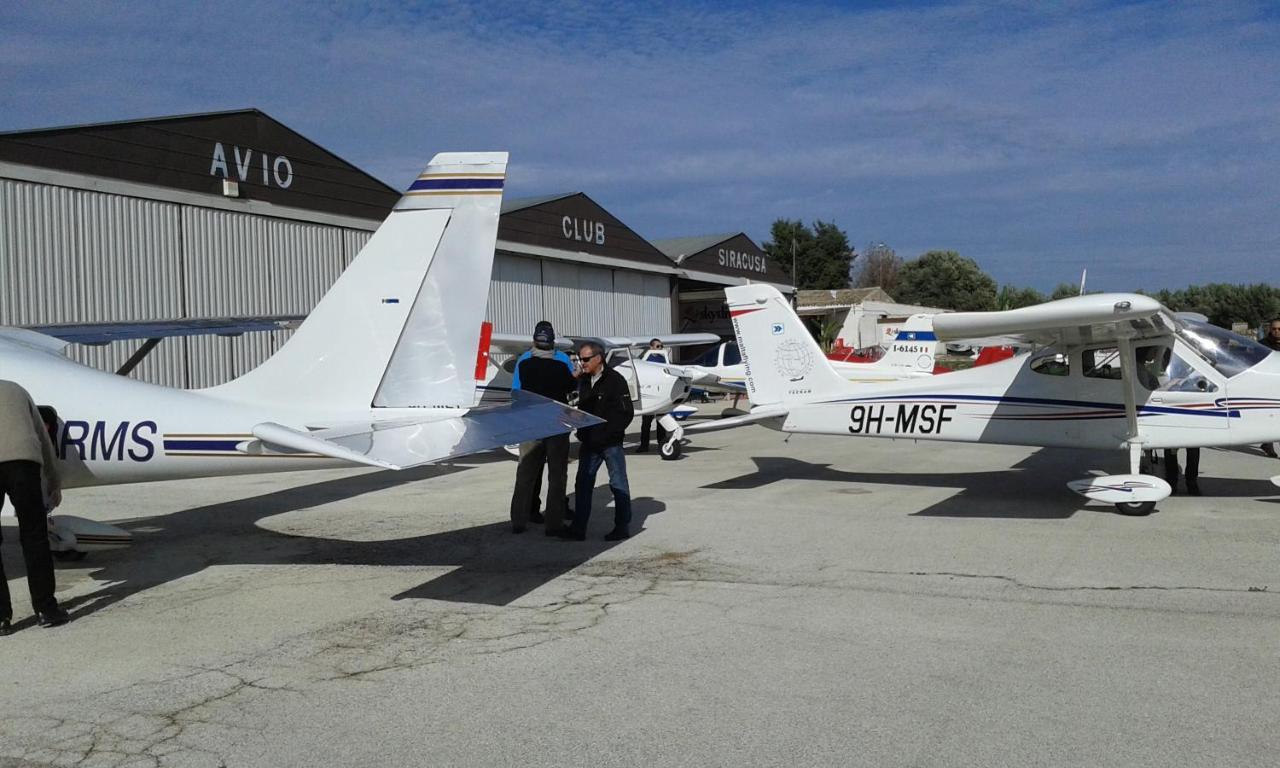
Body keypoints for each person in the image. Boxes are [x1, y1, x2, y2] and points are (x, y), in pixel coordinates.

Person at [0, 380, 69, 633]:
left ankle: (1, 618)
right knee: (34, 537)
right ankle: (46, 609)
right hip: (24, 464)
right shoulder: (16, 390)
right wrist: (54, 480)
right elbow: (42, 436)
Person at [559, 340, 635, 541]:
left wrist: (608, 434)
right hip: (589, 442)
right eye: (579, 359)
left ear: (598, 358)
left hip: (610, 443)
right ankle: (578, 528)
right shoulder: (583, 380)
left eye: (585, 359)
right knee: (583, 484)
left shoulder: (616, 381)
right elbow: (574, 402)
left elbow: (626, 413)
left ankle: (622, 527)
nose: (581, 363)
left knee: (618, 484)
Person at [509, 321, 577, 534]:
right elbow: (572, 387)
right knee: (557, 475)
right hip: (556, 423)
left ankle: (519, 520)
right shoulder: (562, 362)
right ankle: (554, 523)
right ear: (553, 342)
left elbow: (516, 393)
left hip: (530, 424)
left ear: (533, 341)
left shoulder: (524, 362)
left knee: (525, 472)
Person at [637, 338, 669, 453]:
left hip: (661, 396)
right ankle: (644, 445)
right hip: (650, 397)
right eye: (658, 346)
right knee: (646, 424)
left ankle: (662, 444)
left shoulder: (663, 359)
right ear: (651, 347)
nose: (660, 348)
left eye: (661, 346)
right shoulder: (645, 359)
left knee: (661, 423)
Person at [1261, 318, 1280, 458]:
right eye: (1274, 329)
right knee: (1270, 415)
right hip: (1268, 386)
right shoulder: (1262, 345)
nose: (1277, 332)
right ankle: (1268, 444)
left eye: (1279, 329)